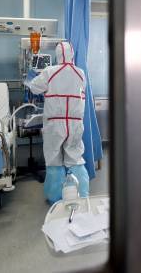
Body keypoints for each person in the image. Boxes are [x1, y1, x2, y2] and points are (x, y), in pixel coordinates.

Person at [26, 41, 90, 203]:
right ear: (72, 54)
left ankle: (55, 197)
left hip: (55, 124)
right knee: (75, 158)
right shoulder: (81, 73)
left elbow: (34, 88)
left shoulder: (50, 71)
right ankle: (81, 194)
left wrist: (31, 76)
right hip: (75, 123)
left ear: (58, 55)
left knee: (54, 159)